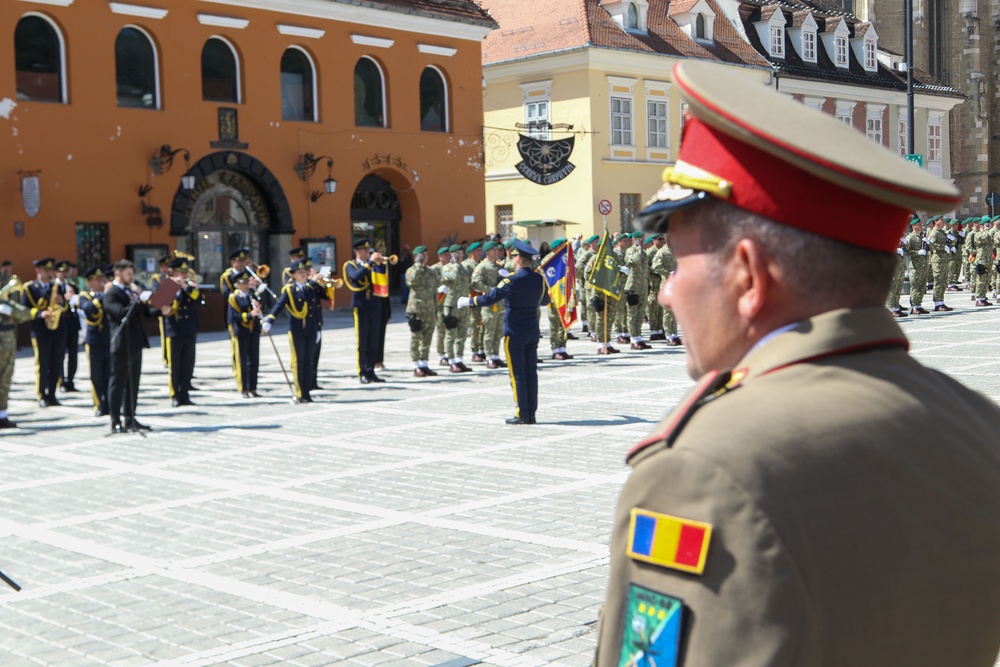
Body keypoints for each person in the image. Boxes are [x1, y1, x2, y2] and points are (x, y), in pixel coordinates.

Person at [594, 60, 1000, 667]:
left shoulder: (706, 470)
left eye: (678, 263)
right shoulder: (979, 426)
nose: (665, 293)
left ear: (750, 277)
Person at [457, 240, 549, 424]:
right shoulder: (539, 278)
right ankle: (531, 412)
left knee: (518, 375)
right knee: (531, 373)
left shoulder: (512, 280)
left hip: (515, 332)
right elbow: (545, 301)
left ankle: (521, 413)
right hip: (532, 330)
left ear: (518, 259)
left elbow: (491, 298)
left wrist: (469, 301)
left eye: (514, 256)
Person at [263, 258, 332, 401]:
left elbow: (322, 300)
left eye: (305, 272)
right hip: (297, 330)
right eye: (300, 272)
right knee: (299, 362)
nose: (304, 274)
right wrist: (270, 319)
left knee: (309, 361)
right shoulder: (290, 290)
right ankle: (300, 393)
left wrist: (317, 328)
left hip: (311, 329)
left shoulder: (311, 287)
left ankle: (307, 393)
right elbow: (279, 305)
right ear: (293, 275)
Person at [104, 259, 154, 434]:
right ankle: (115, 420)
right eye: (128, 274)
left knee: (133, 384)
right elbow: (121, 314)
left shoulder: (131, 292)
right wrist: (136, 300)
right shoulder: (112, 294)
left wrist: (160, 308)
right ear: (118, 273)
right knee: (118, 383)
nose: (131, 278)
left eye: (132, 274)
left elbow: (145, 313)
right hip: (120, 345)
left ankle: (130, 418)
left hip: (135, 344)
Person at [20, 258, 67, 407]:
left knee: (56, 363)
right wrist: (40, 314)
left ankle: (52, 394)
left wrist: (62, 302)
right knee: (43, 363)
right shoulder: (29, 288)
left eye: (50, 270)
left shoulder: (56, 286)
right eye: (45, 270)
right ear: (37, 271)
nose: (48, 273)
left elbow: (64, 307)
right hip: (40, 331)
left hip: (57, 330)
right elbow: (23, 309)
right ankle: (41, 395)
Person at [343, 240, 386, 384]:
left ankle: (371, 371)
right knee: (362, 341)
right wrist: (370, 263)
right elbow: (355, 277)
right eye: (364, 251)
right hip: (361, 306)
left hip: (375, 304)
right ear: (358, 251)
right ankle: (362, 372)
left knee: (374, 340)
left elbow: (382, 280)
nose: (367, 253)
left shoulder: (373, 265)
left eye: (368, 251)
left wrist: (380, 264)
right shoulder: (350, 265)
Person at [163, 257, 202, 407]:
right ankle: (175, 395)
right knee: (176, 365)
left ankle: (185, 394)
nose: (184, 276)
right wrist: (174, 288)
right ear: (173, 273)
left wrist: (186, 287)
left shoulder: (190, 287)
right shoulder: (167, 286)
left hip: (189, 329)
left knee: (188, 365)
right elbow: (159, 306)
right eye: (180, 272)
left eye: (185, 273)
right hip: (174, 331)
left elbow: (200, 301)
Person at [77, 265, 111, 416]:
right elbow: (90, 309)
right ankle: (99, 405)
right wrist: (105, 295)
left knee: (109, 374)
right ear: (90, 282)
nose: (101, 281)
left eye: (102, 278)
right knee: (96, 375)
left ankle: (110, 404)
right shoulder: (84, 295)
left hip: (109, 338)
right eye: (97, 279)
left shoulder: (108, 294)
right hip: (94, 341)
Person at [471, 241, 507, 369]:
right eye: (493, 249)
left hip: (500, 303)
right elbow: (475, 283)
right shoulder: (482, 267)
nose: (496, 251)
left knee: (498, 331)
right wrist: (489, 290)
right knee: (489, 332)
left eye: (497, 249)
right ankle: (489, 357)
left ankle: (496, 356)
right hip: (489, 303)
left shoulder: (498, 266)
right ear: (487, 252)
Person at [404, 246, 439, 377]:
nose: (425, 257)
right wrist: (418, 264)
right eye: (421, 255)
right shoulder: (411, 271)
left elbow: (435, 289)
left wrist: (436, 309)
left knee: (427, 339)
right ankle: (416, 365)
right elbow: (411, 282)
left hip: (430, 310)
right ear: (416, 256)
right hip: (416, 310)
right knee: (416, 338)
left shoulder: (431, 271)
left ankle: (424, 364)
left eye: (426, 254)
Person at [226, 270, 262, 397]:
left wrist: (257, 307)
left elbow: (258, 309)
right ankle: (243, 388)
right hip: (241, 331)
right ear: (237, 284)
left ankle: (253, 387)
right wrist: (249, 315)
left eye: (247, 282)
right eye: (243, 283)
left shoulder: (252, 295)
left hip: (253, 330)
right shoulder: (234, 297)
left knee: (254, 360)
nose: (246, 285)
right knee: (242, 361)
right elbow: (233, 316)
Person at [0, 287, 31, 429]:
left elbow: (25, 314)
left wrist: (10, 311)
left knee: (5, 382)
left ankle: (2, 416)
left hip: (7, 351)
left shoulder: (7, 304)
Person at [54, 260, 81, 392]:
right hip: (61, 323)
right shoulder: (54, 287)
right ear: (56, 272)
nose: (64, 274)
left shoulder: (73, 286)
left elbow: (79, 302)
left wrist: (74, 296)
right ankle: (61, 380)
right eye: (62, 271)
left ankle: (70, 380)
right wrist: (64, 298)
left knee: (73, 354)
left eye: (66, 271)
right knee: (60, 354)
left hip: (73, 323)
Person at [149, 254, 172, 367]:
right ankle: (166, 358)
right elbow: (158, 295)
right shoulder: (157, 278)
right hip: (163, 309)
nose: (168, 268)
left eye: (169, 266)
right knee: (165, 335)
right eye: (166, 266)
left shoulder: (173, 276)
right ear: (161, 267)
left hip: (174, 309)